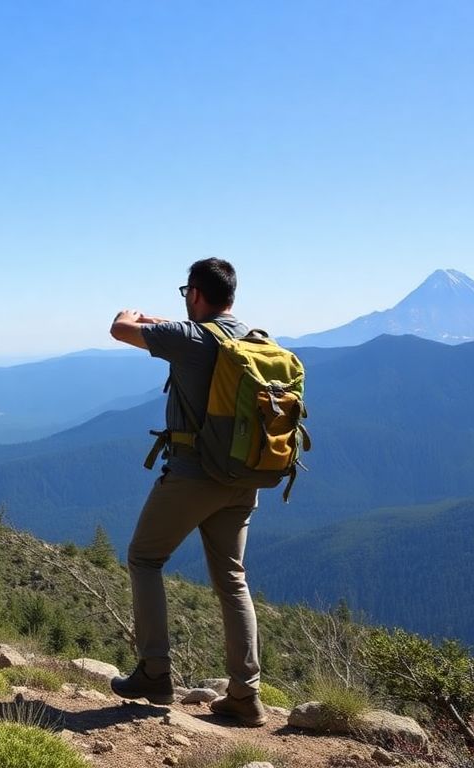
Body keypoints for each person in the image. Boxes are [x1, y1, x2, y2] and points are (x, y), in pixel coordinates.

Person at [105, 257, 267, 727]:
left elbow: (119, 330)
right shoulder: (254, 339)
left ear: (195, 294)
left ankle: (156, 672)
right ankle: (245, 695)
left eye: (185, 293)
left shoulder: (191, 339)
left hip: (194, 474)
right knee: (232, 579)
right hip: (244, 478)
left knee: (144, 558)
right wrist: (171, 320)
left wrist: (132, 313)